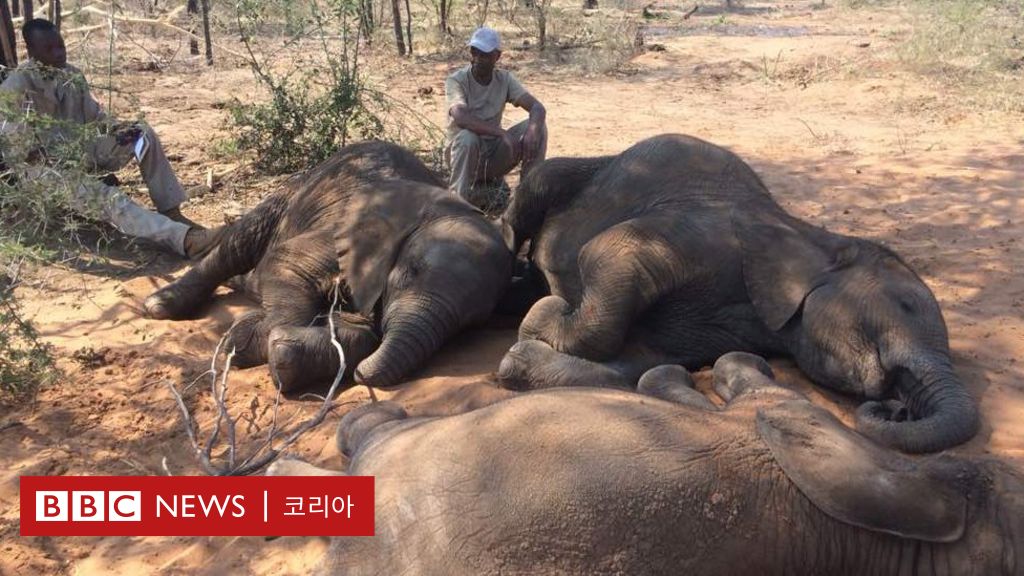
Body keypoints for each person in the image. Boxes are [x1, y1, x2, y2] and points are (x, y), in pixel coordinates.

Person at [0, 19, 219, 259]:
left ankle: (170, 209)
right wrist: (57, 166)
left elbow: (96, 118)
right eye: (49, 49)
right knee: (109, 198)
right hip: (46, 173)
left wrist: (119, 129)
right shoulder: (16, 86)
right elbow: (19, 150)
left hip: (82, 153)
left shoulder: (72, 75)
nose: (59, 53)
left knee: (141, 133)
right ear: (31, 52)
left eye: (60, 45)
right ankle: (184, 239)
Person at [445, 26, 547, 207]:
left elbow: (537, 108)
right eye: (475, 52)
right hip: (464, 155)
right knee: (468, 138)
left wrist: (532, 131)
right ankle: (457, 206)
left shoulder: (504, 79)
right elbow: (461, 117)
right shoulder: (457, 80)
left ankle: (527, 197)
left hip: (492, 155)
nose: (478, 59)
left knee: (538, 128)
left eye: (485, 54)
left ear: (497, 57)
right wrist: (502, 133)